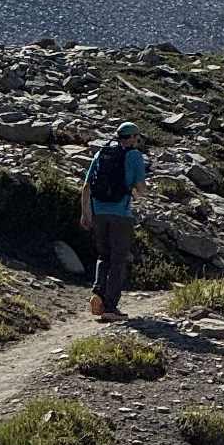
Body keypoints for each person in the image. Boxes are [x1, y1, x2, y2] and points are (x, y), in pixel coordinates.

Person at [81, 121, 148, 320]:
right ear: (134, 138)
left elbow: (86, 186)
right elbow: (141, 188)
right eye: (138, 137)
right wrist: (137, 193)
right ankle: (110, 308)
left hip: (98, 213)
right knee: (118, 261)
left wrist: (85, 214)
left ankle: (98, 294)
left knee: (103, 256)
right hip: (121, 214)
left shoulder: (101, 153)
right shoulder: (134, 155)